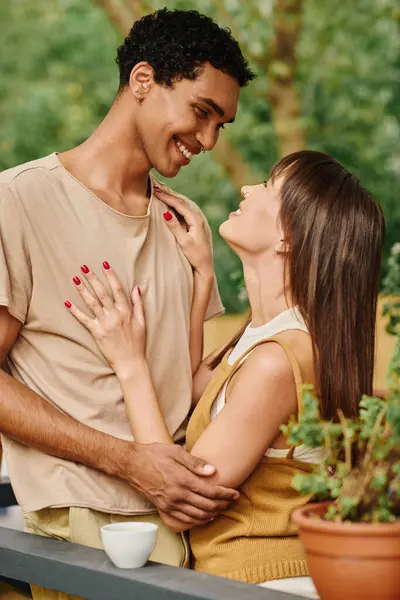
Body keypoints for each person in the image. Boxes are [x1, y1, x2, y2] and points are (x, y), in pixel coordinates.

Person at [0, 8, 255, 592]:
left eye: (222, 125)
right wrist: (126, 461)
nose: (210, 140)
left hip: (183, 533)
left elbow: (186, 390)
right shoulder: (18, 202)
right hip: (79, 532)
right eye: (202, 112)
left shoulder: (182, 224)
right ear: (143, 81)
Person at [67, 150, 385, 586]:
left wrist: (129, 363)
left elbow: (178, 500)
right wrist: (203, 277)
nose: (247, 188)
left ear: (287, 238)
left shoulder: (277, 361)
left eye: (269, 187)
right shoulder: (267, 336)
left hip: (266, 583)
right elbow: (193, 390)